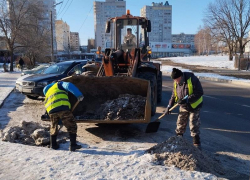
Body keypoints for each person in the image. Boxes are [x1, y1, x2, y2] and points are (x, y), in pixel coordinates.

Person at [165, 68, 203, 149]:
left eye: (176, 79)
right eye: (174, 80)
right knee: (180, 123)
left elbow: (200, 92)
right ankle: (178, 140)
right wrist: (169, 106)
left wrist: (187, 99)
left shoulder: (192, 79)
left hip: (194, 105)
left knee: (193, 124)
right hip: (183, 105)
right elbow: (174, 95)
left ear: (181, 76)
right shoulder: (176, 82)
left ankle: (196, 143)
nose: (176, 81)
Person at [43, 80, 84, 151]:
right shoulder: (59, 84)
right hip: (62, 107)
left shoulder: (47, 90)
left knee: (54, 127)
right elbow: (68, 85)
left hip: (51, 110)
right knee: (71, 125)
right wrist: (78, 95)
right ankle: (73, 145)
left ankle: (53, 145)